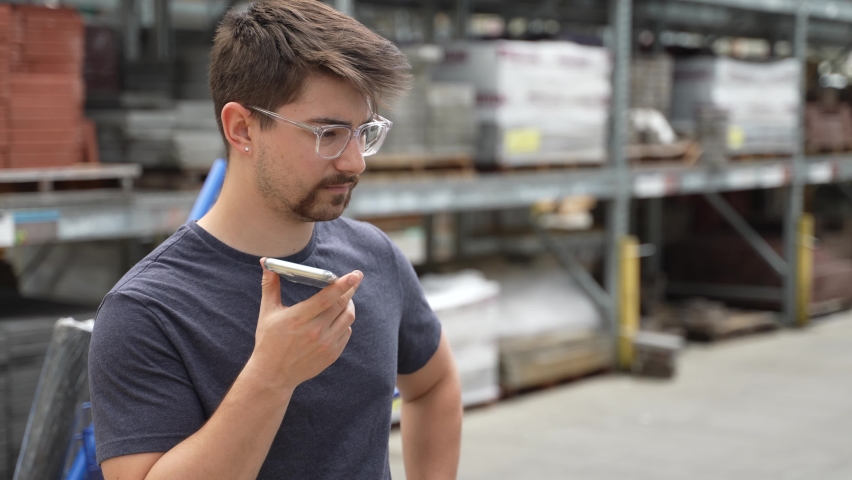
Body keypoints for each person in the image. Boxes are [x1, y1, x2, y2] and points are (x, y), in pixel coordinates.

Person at [88, 1, 463, 478]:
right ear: (242, 128)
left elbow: (433, 384)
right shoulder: (147, 311)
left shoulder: (373, 256)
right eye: (328, 132)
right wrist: (270, 377)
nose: (355, 162)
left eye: (363, 132)